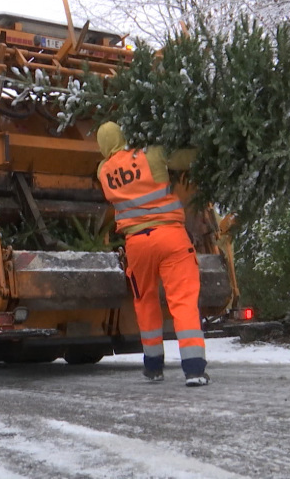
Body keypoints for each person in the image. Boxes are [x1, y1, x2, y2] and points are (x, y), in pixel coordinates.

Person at [96, 121, 208, 387]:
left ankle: (153, 367)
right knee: (182, 302)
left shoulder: (103, 171)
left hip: (137, 244)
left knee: (145, 303)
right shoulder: (151, 153)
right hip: (170, 237)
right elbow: (186, 158)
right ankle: (193, 369)